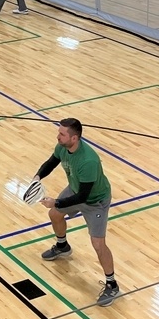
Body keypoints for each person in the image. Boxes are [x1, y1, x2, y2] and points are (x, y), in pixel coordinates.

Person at [34, 117, 119, 307]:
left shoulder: (88, 160)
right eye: (59, 132)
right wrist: (37, 177)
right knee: (55, 214)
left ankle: (112, 284)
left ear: (74, 138)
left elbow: (83, 197)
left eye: (62, 134)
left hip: (95, 200)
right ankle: (62, 246)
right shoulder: (63, 147)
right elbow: (51, 162)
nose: (58, 136)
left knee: (98, 244)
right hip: (76, 188)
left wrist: (56, 201)